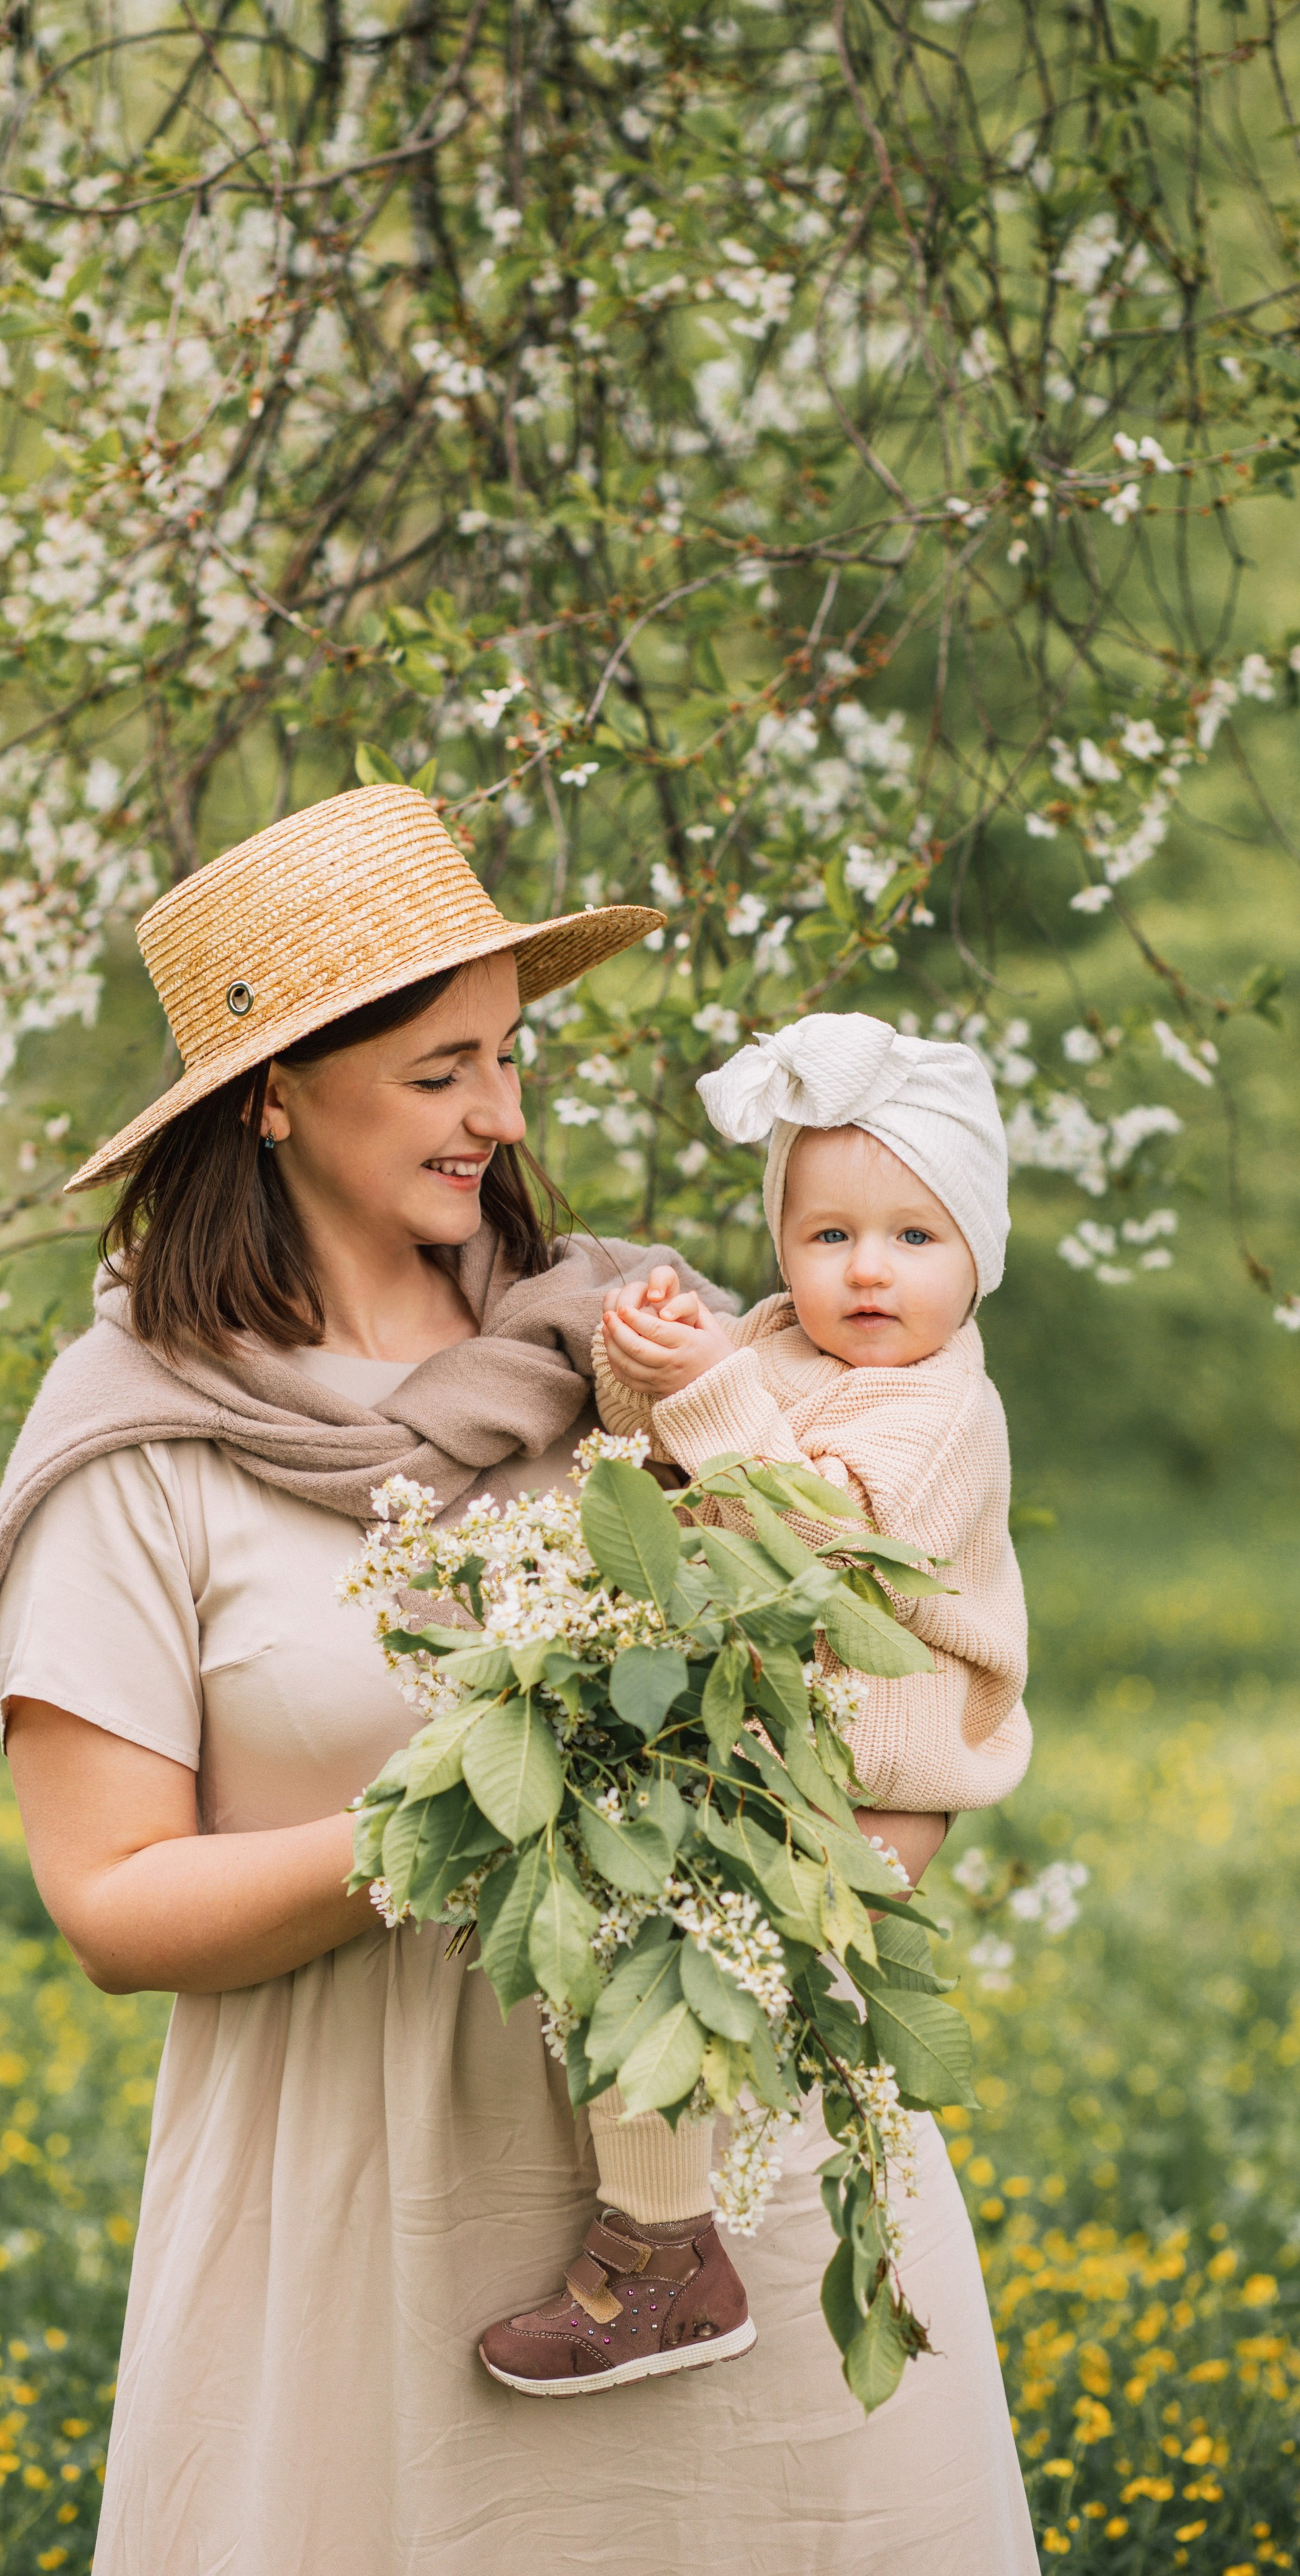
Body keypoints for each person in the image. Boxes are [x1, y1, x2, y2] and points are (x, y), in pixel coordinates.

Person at [0, 791, 1037, 2574]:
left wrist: (853, 1851)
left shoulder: (620, 1353)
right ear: (275, 1086)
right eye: (445, 1068)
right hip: (370, 2231)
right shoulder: (137, 1448)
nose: (505, 1116)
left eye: (508, 1059)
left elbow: (899, 1642)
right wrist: (460, 1814)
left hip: (733, 2210)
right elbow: (114, 1903)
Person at [477, 1011, 1031, 2400]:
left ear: (978, 1256)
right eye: (828, 1234)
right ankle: (668, 2235)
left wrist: (711, 1392)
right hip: (777, 1741)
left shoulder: (944, 1410)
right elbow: (671, 1452)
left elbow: (815, 1534)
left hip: (876, 1774)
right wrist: (648, 1361)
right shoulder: (780, 1347)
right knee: (659, 1957)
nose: (867, 1271)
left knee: (690, 1953)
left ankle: (666, 2258)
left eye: (915, 1237)